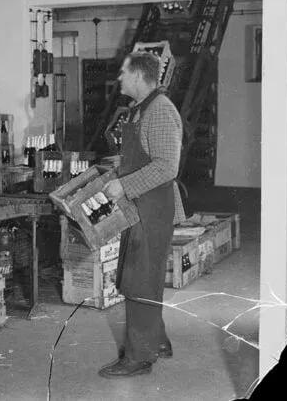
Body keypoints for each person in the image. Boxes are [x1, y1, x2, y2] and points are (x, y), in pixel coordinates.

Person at [98, 52, 186, 378]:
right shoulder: (140, 109)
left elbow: (166, 166)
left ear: (138, 75)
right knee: (142, 279)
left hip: (153, 210)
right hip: (140, 207)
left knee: (140, 283)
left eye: (123, 73)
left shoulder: (161, 111)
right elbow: (144, 155)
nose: (119, 78)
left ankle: (139, 358)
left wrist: (124, 185)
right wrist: (117, 167)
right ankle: (158, 342)